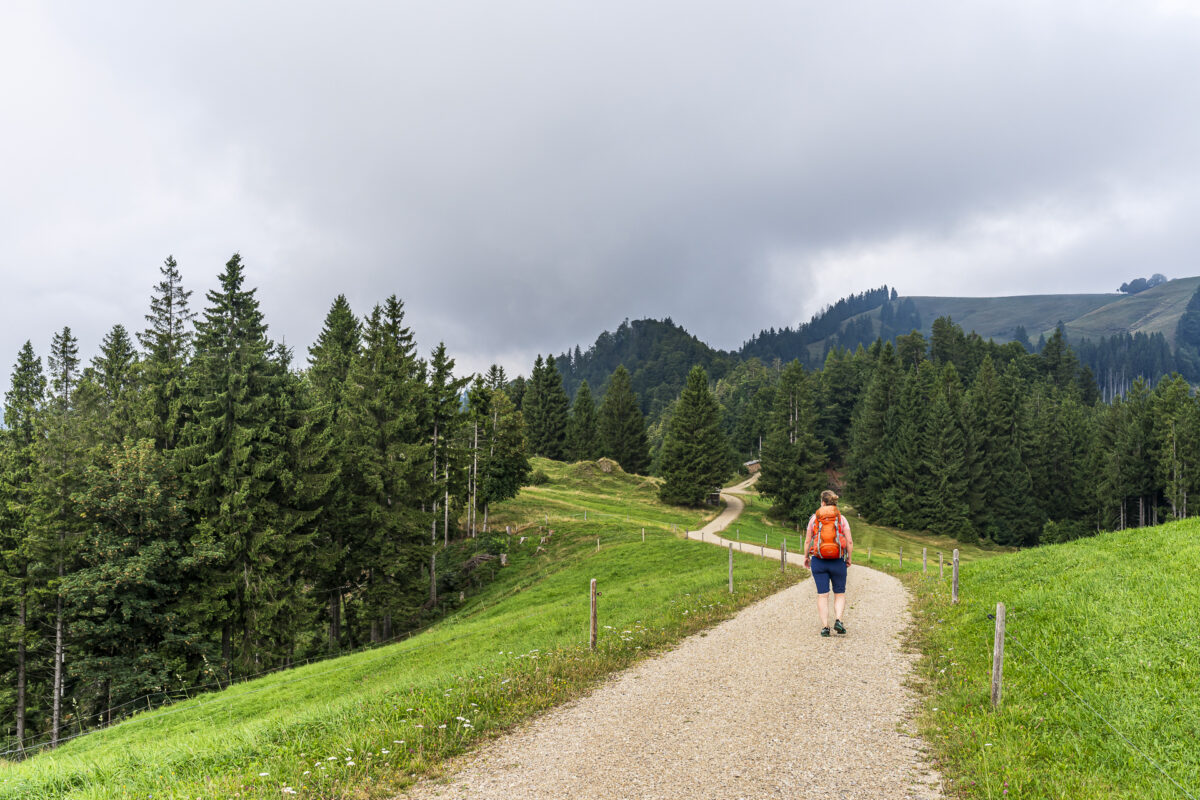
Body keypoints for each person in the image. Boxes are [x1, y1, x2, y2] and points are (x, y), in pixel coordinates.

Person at [802, 490, 853, 637]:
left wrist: (806, 557)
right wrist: (849, 558)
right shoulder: (841, 518)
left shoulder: (814, 518)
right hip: (837, 561)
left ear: (822, 502)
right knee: (839, 593)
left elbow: (808, 541)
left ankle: (825, 627)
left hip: (819, 561)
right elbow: (849, 541)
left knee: (823, 595)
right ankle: (838, 620)